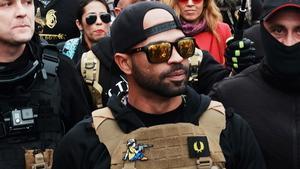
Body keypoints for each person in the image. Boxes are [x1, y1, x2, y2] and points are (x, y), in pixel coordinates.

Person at [52, 2, 266, 169]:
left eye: (183, 46)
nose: (175, 58)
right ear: (124, 63)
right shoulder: (85, 143)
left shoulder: (229, 130)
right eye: (159, 51)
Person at [0, 0, 91, 168]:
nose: (22, 12)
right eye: (6, 4)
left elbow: (87, 150)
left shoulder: (61, 70)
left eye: (27, 2)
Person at [209, 1, 300, 169]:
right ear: (263, 31)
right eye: (278, 30)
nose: (289, 42)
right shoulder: (229, 96)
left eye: (299, 30)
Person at [161, 0, 232, 64]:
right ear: (175, 2)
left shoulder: (222, 30)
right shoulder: (165, 32)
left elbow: (231, 70)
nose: (190, 3)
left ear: (205, 2)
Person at [60, 0, 111, 65]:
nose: (99, 22)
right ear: (79, 24)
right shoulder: (67, 49)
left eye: (104, 17)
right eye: (91, 18)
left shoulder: (120, 49)